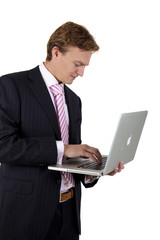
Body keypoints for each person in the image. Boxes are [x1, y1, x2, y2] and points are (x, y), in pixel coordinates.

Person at [0, 22, 124, 240]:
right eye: (78, 64)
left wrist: (93, 171)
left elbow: (70, 158)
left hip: (68, 215)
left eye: (85, 66)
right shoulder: (11, 86)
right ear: (56, 52)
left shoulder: (74, 100)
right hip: (26, 215)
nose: (82, 73)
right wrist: (64, 149)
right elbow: (4, 146)